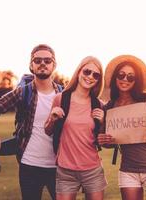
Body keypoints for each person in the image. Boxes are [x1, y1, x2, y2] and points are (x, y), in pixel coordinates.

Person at [98, 55, 146, 200]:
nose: (125, 79)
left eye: (130, 77)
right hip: (128, 170)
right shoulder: (110, 107)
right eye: (121, 75)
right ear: (115, 77)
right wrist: (104, 140)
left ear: (136, 80)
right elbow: (109, 142)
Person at [0, 44, 60, 200]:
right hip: (29, 166)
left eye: (47, 60)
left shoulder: (64, 94)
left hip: (59, 167)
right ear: (31, 65)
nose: (42, 63)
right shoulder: (23, 92)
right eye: (37, 60)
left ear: (54, 65)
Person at [44, 56, 107, 200]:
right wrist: (52, 120)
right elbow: (47, 131)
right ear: (79, 71)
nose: (90, 77)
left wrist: (102, 123)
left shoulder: (99, 104)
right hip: (65, 171)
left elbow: (103, 139)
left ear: (98, 80)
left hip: (92, 169)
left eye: (95, 75)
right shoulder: (60, 98)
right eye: (87, 72)